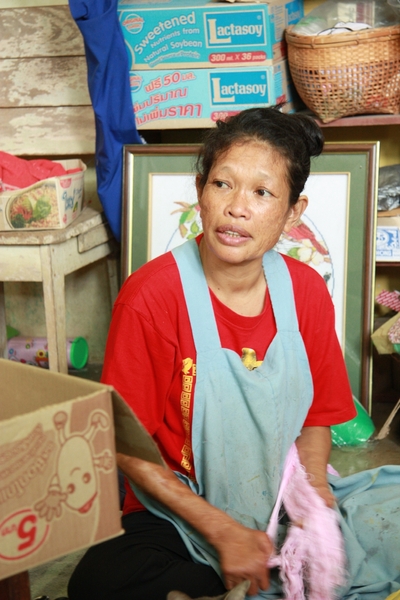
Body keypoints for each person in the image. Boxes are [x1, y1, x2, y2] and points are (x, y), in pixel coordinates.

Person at [68, 107, 400, 600]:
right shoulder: (151, 297)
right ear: (201, 190)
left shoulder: (305, 290)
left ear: (293, 213)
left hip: (280, 495)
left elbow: (315, 418)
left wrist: (313, 502)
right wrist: (223, 533)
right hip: (182, 513)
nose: (237, 208)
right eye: (223, 184)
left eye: (262, 193)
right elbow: (129, 447)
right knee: (100, 581)